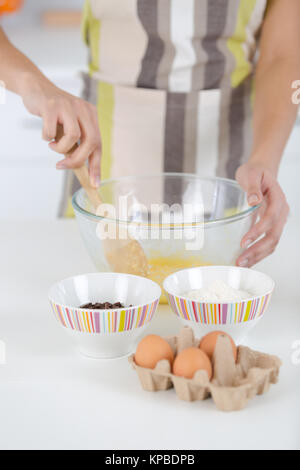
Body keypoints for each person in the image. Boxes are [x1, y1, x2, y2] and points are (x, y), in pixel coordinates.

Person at [0, 0, 298, 268]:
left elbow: (283, 55)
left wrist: (264, 161)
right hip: (104, 167)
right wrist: (33, 84)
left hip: (229, 177)